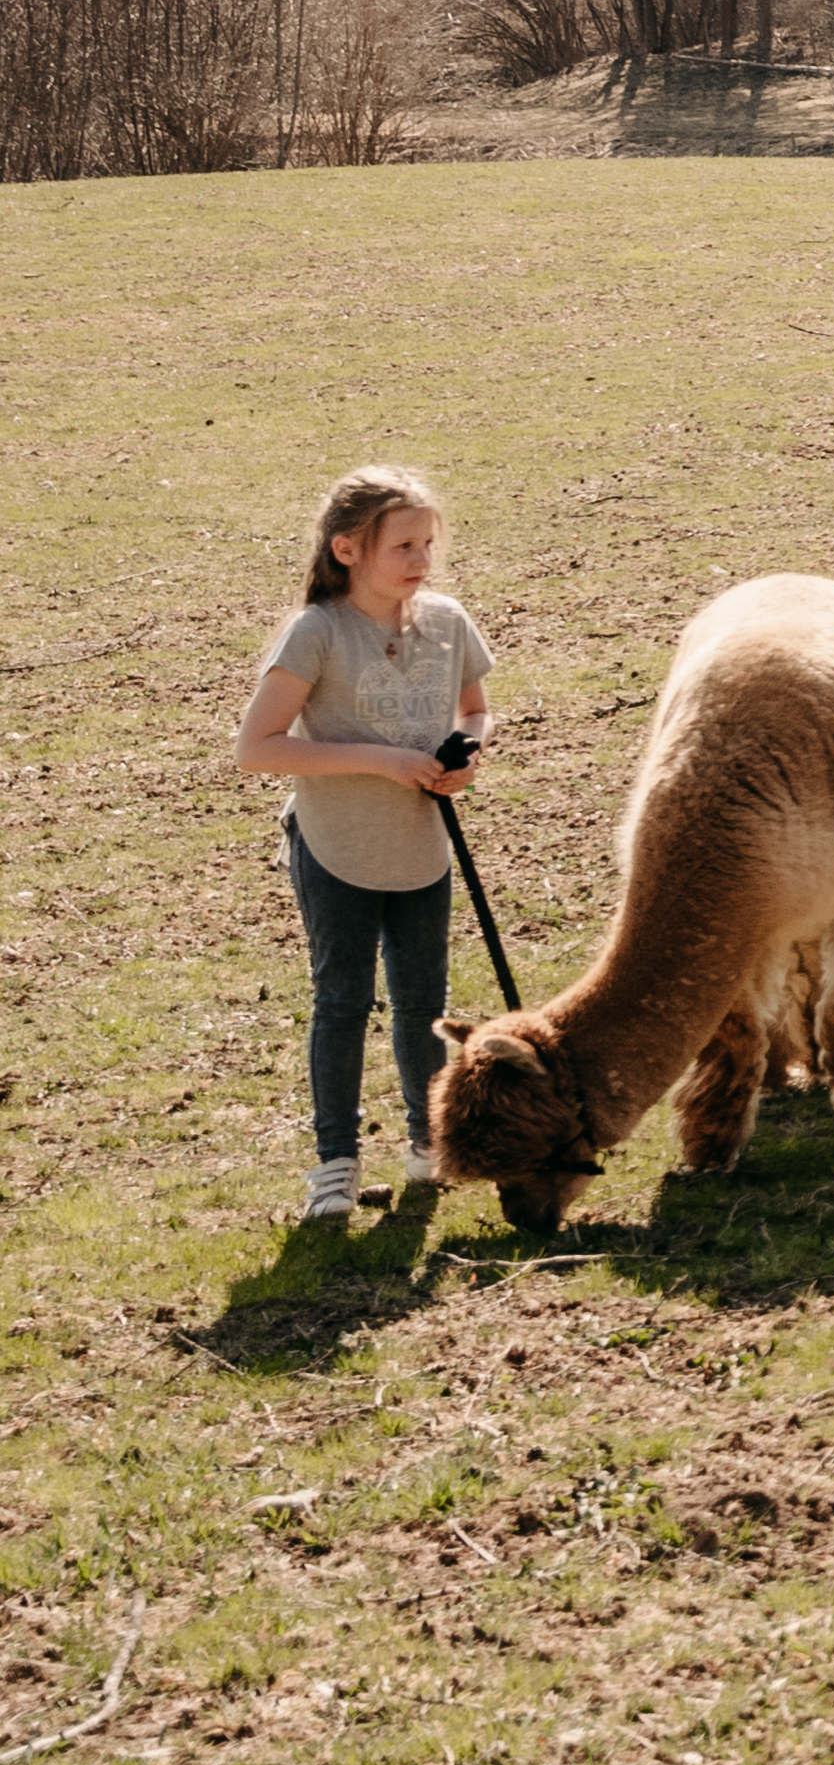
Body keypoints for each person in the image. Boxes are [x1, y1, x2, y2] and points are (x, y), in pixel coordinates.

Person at [233, 465, 497, 1215]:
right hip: (334, 846)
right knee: (342, 1001)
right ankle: (336, 1161)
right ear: (347, 549)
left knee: (424, 1005)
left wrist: (464, 752)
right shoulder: (316, 631)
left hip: (421, 844)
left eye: (427, 543)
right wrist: (383, 761)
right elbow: (257, 746)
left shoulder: (446, 621)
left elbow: (476, 710)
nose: (420, 560)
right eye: (402, 545)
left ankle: (427, 1145)